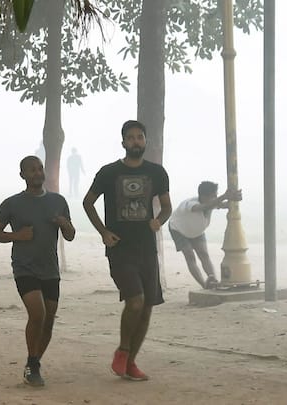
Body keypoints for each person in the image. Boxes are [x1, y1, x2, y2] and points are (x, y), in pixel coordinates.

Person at [82, 120, 172, 381]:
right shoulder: (109, 172)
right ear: (123, 142)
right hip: (120, 248)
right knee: (135, 301)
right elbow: (88, 203)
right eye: (130, 138)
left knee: (147, 308)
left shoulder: (157, 172)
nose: (135, 141)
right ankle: (122, 350)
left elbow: (166, 206)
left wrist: (159, 220)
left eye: (139, 137)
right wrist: (102, 231)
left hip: (146, 248)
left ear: (145, 141)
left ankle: (131, 363)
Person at [0, 156, 75, 387]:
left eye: (40, 168)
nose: (37, 173)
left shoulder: (58, 201)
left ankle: (33, 363)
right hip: (24, 267)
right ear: (22, 175)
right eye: (31, 170)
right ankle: (33, 365)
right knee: (38, 314)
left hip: (50, 269)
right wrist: (18, 236)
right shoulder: (12, 204)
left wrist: (64, 224)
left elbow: (70, 234)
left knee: (48, 322)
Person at [169, 181, 242, 289]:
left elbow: (222, 205)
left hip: (197, 231)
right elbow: (204, 207)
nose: (215, 198)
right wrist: (224, 196)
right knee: (190, 256)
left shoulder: (212, 202)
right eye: (213, 196)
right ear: (203, 196)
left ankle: (213, 280)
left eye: (216, 195)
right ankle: (203, 284)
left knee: (203, 254)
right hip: (178, 229)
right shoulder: (191, 204)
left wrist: (234, 198)